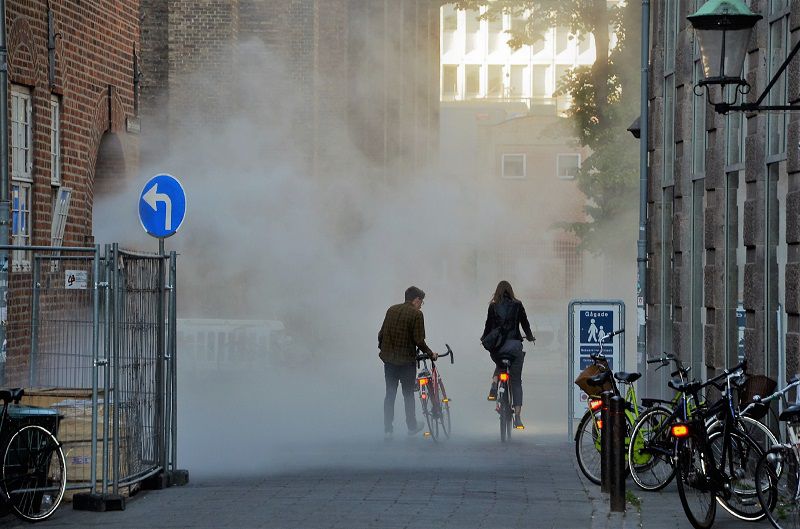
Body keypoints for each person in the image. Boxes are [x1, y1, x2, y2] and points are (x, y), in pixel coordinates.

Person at [378, 286, 438, 440]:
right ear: (416, 299)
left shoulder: (391, 310)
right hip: (406, 362)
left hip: (389, 361)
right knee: (408, 394)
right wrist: (430, 353)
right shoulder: (417, 314)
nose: (421, 305)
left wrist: (384, 351)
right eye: (421, 302)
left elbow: (381, 334)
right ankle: (411, 426)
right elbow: (419, 340)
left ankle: (387, 429)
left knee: (390, 394)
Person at [480, 280, 534, 430]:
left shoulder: (493, 306)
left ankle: (494, 384)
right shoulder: (517, 304)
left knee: (499, 364)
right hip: (515, 347)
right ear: (511, 291)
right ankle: (517, 417)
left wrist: (484, 339)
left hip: (498, 347)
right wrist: (529, 336)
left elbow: (488, 326)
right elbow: (525, 323)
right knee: (516, 381)